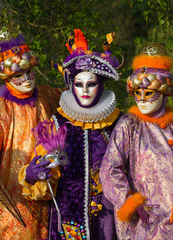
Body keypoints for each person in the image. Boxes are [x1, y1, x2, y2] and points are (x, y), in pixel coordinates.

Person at [99, 43, 173, 239]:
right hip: (147, 225)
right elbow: (109, 168)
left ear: (164, 92)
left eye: (149, 93)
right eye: (137, 93)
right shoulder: (130, 125)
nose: (142, 99)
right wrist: (129, 201)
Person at [18, 29, 122, 240]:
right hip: (70, 221)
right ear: (71, 85)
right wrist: (33, 175)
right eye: (78, 84)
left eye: (91, 84)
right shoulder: (58, 125)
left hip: (113, 220)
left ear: (101, 85)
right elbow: (46, 178)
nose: (84, 91)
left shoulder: (120, 124)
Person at [0, 29, 62, 240]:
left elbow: (74, 99)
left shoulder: (48, 95)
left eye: (29, 72)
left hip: (52, 196)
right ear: (5, 78)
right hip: (17, 204)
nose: (27, 78)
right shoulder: (0, 110)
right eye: (18, 75)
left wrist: (77, 63)